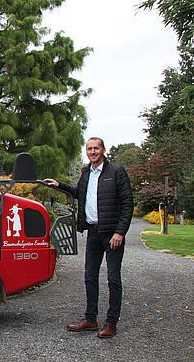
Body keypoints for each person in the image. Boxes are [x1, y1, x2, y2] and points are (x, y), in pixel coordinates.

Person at [43, 137, 133, 339]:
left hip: (112, 234)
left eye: (96, 148)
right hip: (93, 233)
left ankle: (111, 322)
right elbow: (79, 193)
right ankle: (90, 319)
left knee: (113, 278)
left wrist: (120, 232)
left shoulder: (116, 172)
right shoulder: (86, 173)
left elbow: (128, 204)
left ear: (103, 150)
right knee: (89, 277)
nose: (92, 152)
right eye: (89, 149)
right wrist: (59, 185)